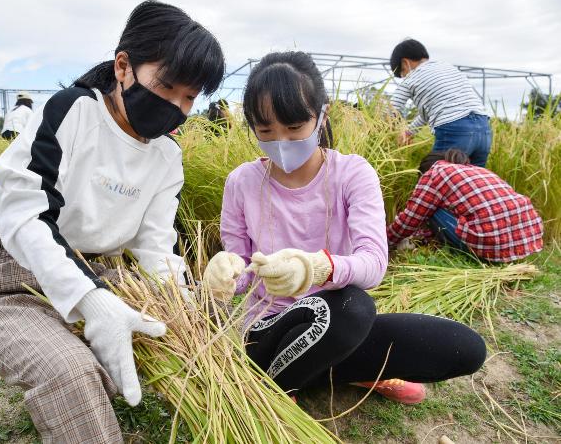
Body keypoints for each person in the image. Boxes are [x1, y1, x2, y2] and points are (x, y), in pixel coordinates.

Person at [0, 0, 224, 443]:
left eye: (189, 97)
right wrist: (91, 302)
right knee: (72, 375)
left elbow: (155, 247)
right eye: (167, 86)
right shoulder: (73, 111)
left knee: (210, 323)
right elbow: (25, 214)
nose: (176, 106)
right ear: (123, 66)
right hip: (11, 280)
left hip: (107, 276)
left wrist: (185, 315)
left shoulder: (167, 156)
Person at [203, 51, 486, 406]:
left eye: (294, 129)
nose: (281, 142)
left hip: (339, 320)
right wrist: (225, 273)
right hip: (269, 329)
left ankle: (321, 369)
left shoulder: (352, 173)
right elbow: (242, 267)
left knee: (462, 348)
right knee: (351, 310)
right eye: (265, 131)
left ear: (321, 117)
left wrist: (317, 268)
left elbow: (373, 264)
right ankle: (280, 386)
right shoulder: (242, 182)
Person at [387, 148, 543, 262]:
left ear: (423, 172)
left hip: (490, 247)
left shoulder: (435, 173)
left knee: (429, 208)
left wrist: (385, 241)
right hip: (521, 244)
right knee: (445, 206)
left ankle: (481, 255)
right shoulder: (478, 170)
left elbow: (411, 218)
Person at [389, 39, 492, 168]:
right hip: (484, 129)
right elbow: (430, 113)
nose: (404, 77)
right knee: (473, 182)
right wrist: (410, 132)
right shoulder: (447, 68)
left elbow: (391, 111)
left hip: (455, 130)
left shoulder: (412, 78)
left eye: (402, 73)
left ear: (405, 62)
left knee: (434, 179)